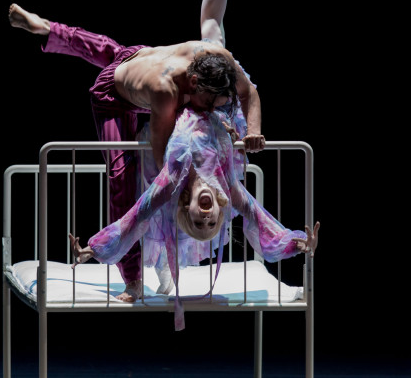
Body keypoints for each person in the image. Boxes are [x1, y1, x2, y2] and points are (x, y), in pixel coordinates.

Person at [9, 0, 264, 302]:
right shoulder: (166, 93)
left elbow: (250, 92)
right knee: (122, 178)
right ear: (193, 83)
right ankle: (131, 277)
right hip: (113, 95)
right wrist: (174, 183)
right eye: (207, 102)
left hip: (137, 56)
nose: (211, 108)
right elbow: (163, 152)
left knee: (124, 46)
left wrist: (252, 132)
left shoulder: (214, 57)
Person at [69, 105, 320, 330]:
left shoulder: (171, 183)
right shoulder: (228, 187)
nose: (207, 216)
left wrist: (92, 249)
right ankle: (165, 267)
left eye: (199, 222)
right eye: (212, 222)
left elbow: (133, 218)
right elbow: (258, 218)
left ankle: (164, 266)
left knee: (145, 180)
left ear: (187, 207)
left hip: (171, 114)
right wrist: (297, 243)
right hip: (211, 107)